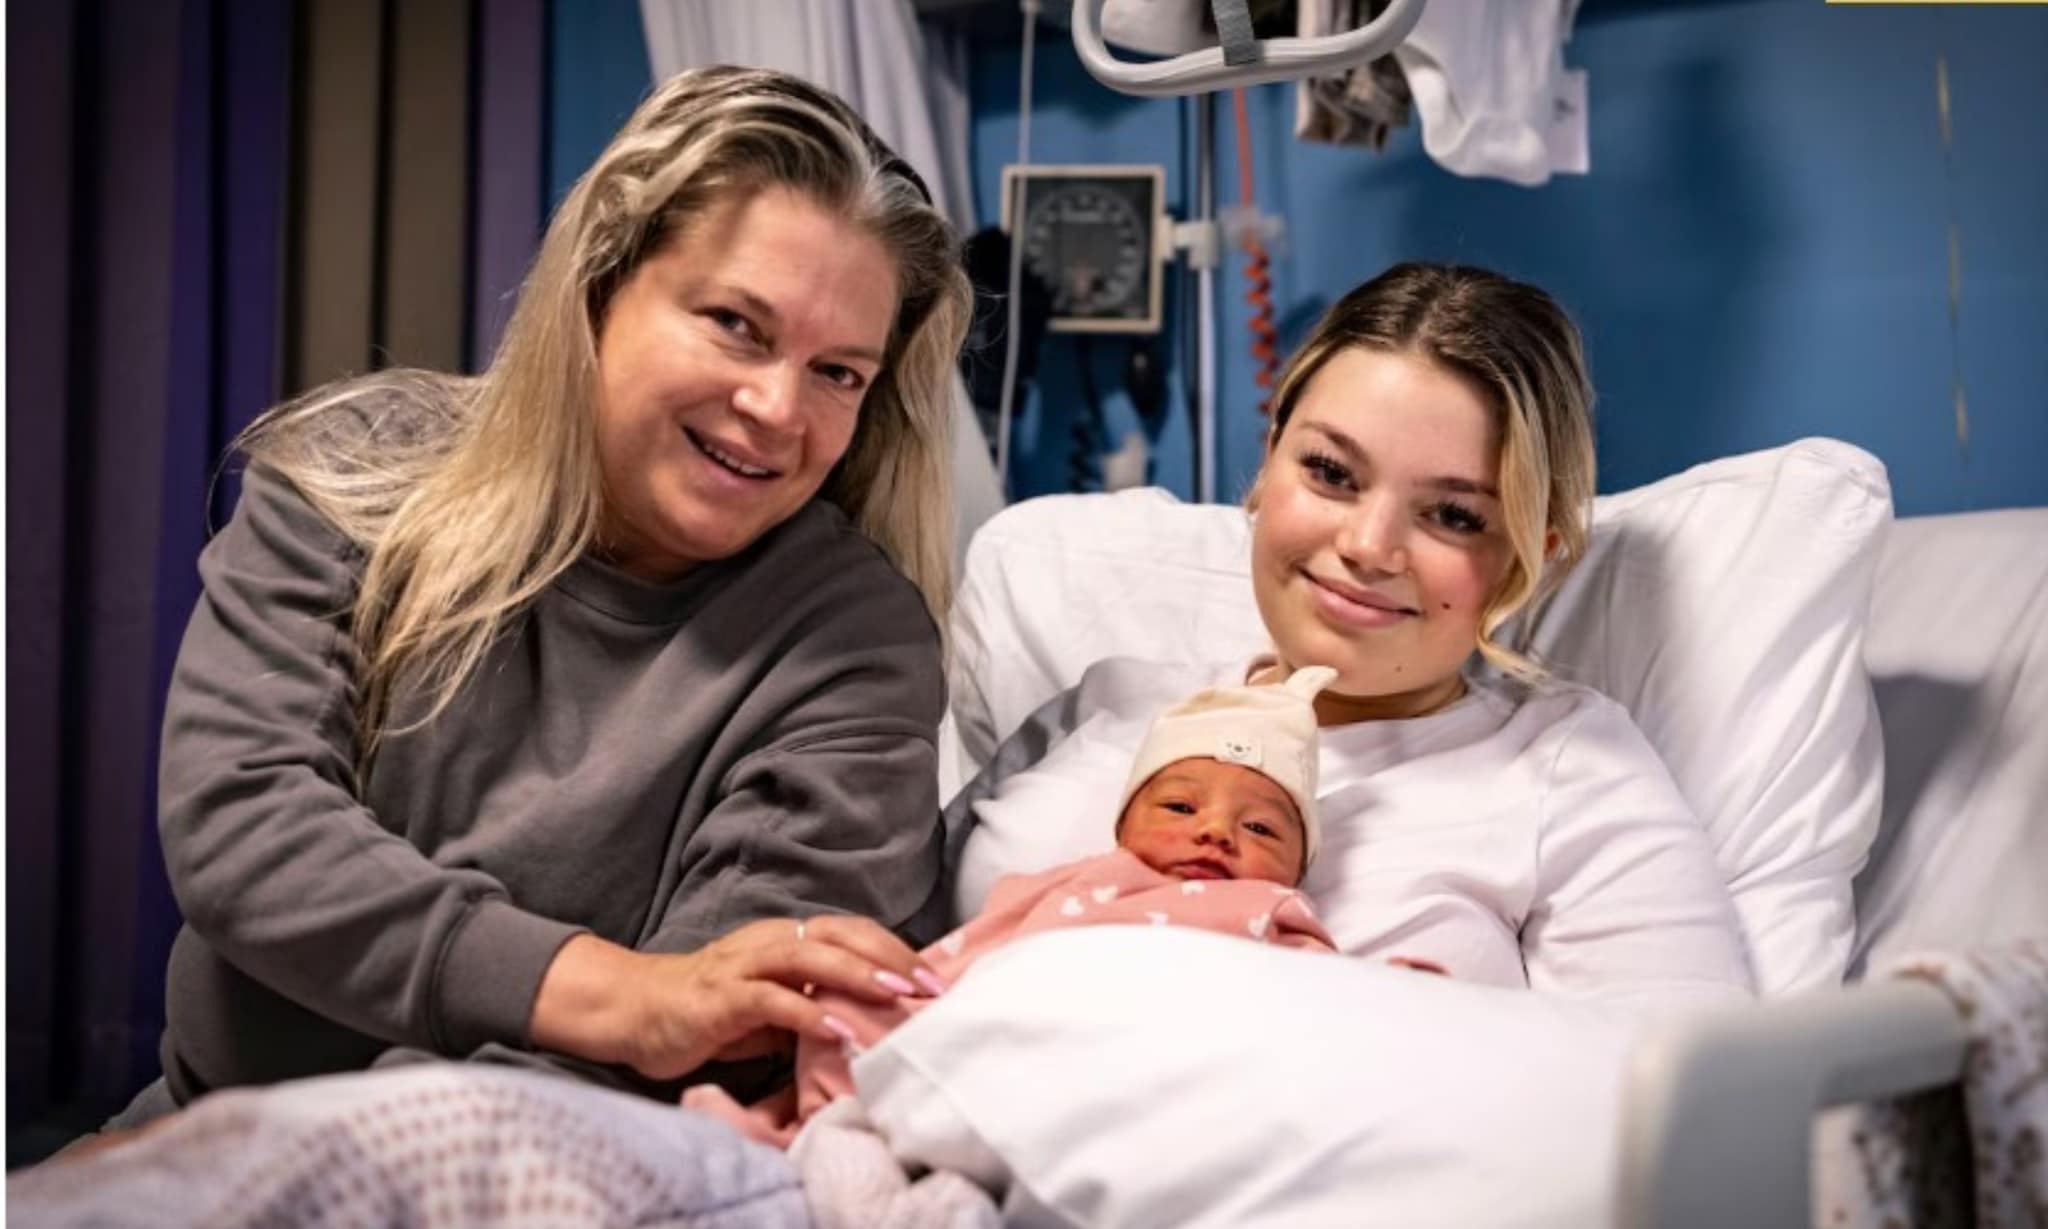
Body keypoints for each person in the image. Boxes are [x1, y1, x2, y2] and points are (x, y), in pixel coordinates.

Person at [112, 65, 976, 1130]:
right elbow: (247, 827)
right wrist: (624, 993)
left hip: (525, 1163)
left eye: (838, 372)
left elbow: (716, 1028)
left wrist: (332, 1167)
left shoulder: (853, 642)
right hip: (204, 1130)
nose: (775, 407)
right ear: (600, 288)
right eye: (735, 324)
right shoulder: (360, 475)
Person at [951, 261, 1756, 1012]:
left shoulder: (1569, 774)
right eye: (1332, 472)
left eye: (1454, 515)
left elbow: (1687, 1104)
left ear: (1530, 558)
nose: (1369, 546)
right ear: (1271, 459)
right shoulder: (1108, 702)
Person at [686, 664, 1347, 1147]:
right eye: (1178, 806)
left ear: (1296, 866)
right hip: (1005, 1031)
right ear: (1125, 823)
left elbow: (1341, 1007)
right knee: (849, 997)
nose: (1215, 832)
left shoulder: (1270, 909)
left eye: (1261, 829)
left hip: (1140, 1066)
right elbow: (977, 950)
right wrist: (913, 997)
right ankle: (847, 1139)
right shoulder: (1073, 880)